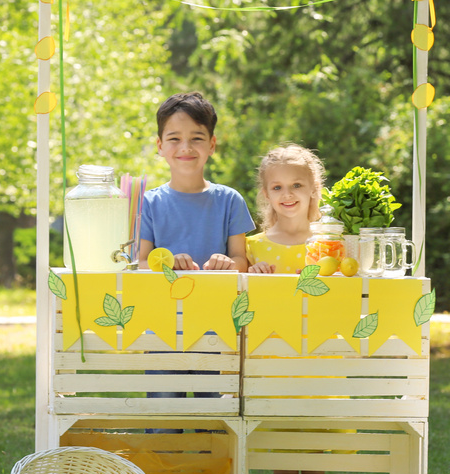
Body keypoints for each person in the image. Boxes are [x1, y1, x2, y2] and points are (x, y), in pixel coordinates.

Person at [137, 92, 254, 409]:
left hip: (215, 326)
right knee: (164, 418)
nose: (186, 148)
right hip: (162, 326)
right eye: (174, 138)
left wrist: (228, 262)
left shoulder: (230, 200)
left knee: (213, 418)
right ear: (160, 146)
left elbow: (241, 260)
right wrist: (166, 264)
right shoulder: (149, 203)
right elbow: (141, 261)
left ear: (212, 145)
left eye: (197, 138)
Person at [246, 144, 326, 275]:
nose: (287, 194)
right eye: (277, 187)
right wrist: (253, 276)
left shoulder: (330, 244)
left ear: (314, 187)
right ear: (266, 194)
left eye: (296, 185)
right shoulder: (251, 247)